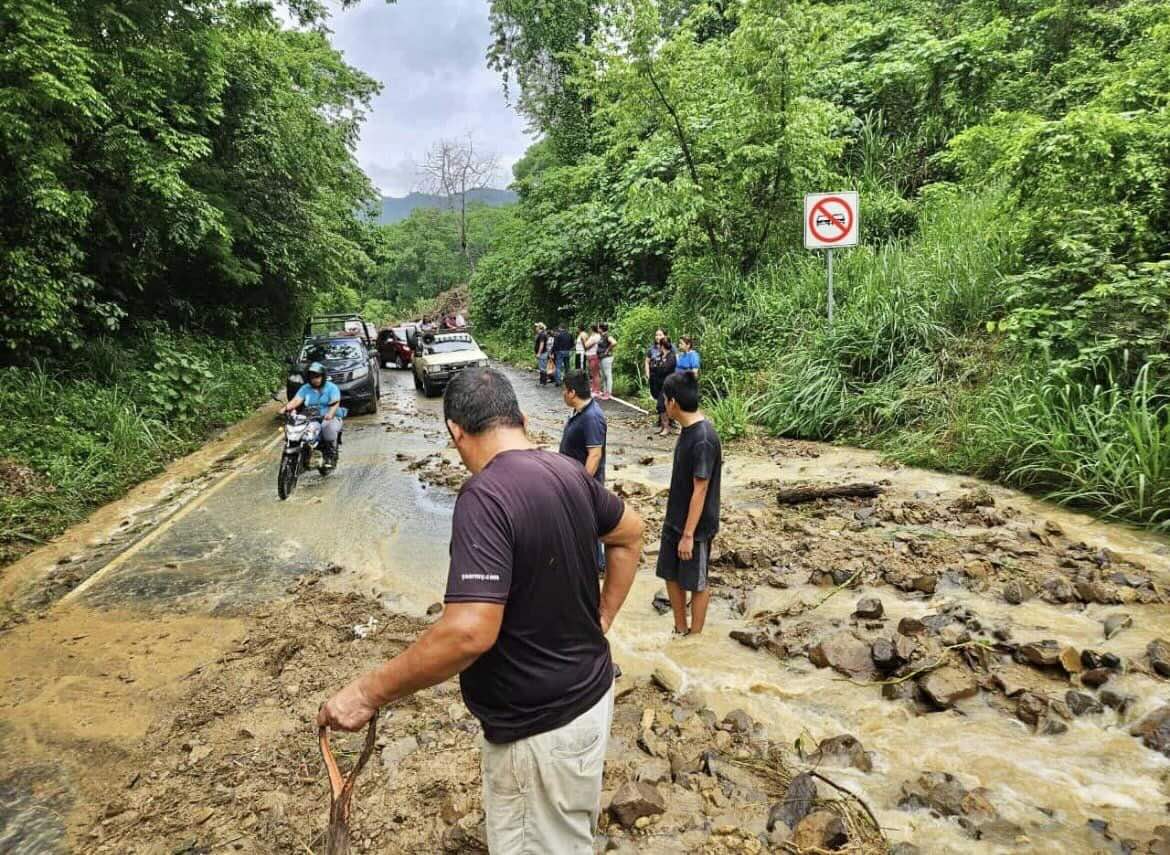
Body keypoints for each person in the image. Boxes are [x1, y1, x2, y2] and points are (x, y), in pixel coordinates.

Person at [317, 369, 644, 853]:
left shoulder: (485, 497)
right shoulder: (567, 472)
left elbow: (469, 633)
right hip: (589, 700)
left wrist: (368, 693)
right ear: (522, 419)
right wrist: (604, 617)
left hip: (540, 731)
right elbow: (630, 533)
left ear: (455, 431)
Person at [655, 372, 721, 636]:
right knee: (670, 574)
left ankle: (695, 636)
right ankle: (680, 628)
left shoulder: (703, 438)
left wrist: (688, 535)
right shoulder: (687, 430)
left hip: (696, 527)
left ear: (673, 402)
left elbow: (701, 489)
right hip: (675, 519)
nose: (663, 404)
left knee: (697, 581)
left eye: (664, 399)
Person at [560, 370, 608, 571]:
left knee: (589, 526)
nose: (562, 394)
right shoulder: (581, 413)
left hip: (585, 485)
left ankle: (596, 566)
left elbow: (595, 455)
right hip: (575, 481)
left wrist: (582, 484)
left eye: (564, 390)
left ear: (572, 392)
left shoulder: (592, 417)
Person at [283, 362, 344, 468]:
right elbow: (297, 400)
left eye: (317, 376)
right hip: (311, 417)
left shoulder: (332, 388)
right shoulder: (305, 388)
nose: (314, 379)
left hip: (330, 417)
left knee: (326, 427)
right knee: (300, 429)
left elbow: (335, 403)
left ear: (323, 376)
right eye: (312, 377)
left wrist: (330, 414)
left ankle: (330, 456)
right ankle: (305, 453)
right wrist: (286, 408)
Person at [644, 329, 676, 437]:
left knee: (661, 405)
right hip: (658, 383)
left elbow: (665, 369)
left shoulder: (671, 356)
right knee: (661, 405)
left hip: (668, 384)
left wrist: (656, 367)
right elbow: (650, 363)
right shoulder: (661, 355)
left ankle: (667, 427)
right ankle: (663, 426)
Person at [596, 323, 617, 400]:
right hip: (601, 357)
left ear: (601, 329)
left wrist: (607, 350)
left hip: (606, 358)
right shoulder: (601, 336)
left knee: (608, 375)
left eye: (598, 328)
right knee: (604, 375)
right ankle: (605, 392)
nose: (597, 329)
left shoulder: (607, 336)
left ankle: (609, 393)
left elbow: (614, 342)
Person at [585, 325, 602, 396]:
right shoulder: (593, 336)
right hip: (590, 355)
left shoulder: (596, 336)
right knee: (592, 373)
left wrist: (587, 344)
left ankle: (597, 390)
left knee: (595, 374)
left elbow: (586, 345)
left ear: (592, 329)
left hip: (593, 355)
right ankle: (594, 388)